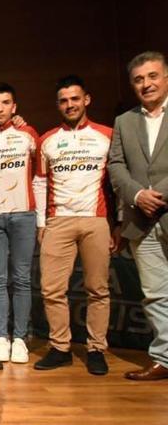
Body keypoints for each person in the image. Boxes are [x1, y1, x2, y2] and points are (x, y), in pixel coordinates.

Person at [33, 75, 118, 375]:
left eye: (74, 99)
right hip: (58, 220)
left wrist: (115, 224)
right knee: (52, 289)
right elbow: (39, 182)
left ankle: (96, 349)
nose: (70, 104)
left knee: (98, 289)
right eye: (64, 100)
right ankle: (60, 347)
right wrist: (42, 224)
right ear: (58, 104)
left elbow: (115, 184)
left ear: (86, 100)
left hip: (96, 219)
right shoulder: (47, 140)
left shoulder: (107, 135)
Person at [108, 51, 168, 380]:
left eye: (153, 76)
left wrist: (157, 194)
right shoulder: (125, 121)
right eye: (139, 79)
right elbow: (116, 165)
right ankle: (164, 358)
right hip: (141, 220)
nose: (146, 84)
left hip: (162, 208)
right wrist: (137, 194)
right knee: (156, 293)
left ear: (165, 77)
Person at [0, 83, 40, 365]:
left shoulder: (28, 135)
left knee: (22, 279)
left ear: (14, 107)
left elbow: (41, 176)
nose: (0, 108)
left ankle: (20, 338)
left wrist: (41, 219)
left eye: (5, 103)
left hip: (24, 215)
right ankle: (1, 337)